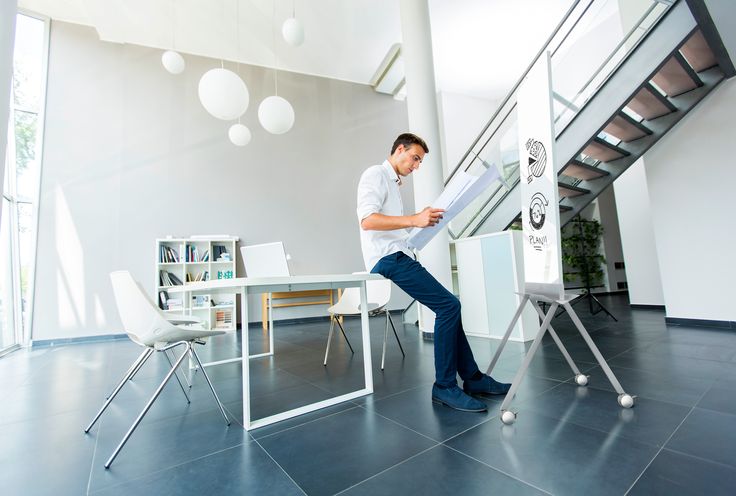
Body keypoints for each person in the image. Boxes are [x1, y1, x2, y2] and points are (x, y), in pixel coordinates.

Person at [356, 132, 511, 412]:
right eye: (415, 158)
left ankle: (473, 379)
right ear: (400, 149)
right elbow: (368, 221)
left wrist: (418, 225)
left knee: (449, 308)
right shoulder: (375, 174)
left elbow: (391, 225)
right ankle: (444, 386)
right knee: (449, 306)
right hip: (389, 259)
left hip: (399, 253)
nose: (416, 166)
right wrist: (414, 218)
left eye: (419, 162)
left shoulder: (393, 183)